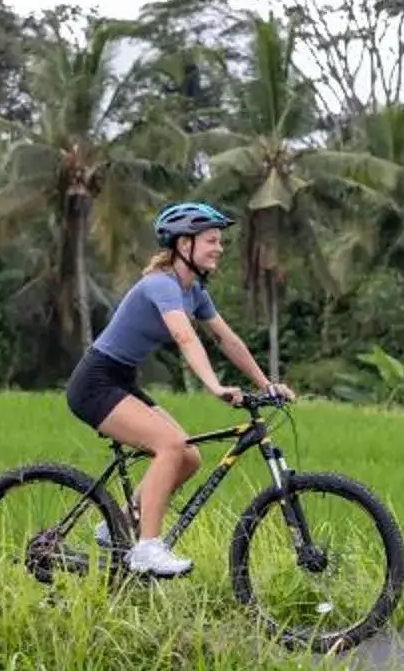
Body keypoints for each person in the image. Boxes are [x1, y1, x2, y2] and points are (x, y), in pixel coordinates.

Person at [70, 200, 291, 577]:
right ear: (183, 244)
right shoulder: (161, 285)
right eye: (211, 240)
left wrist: (265, 384)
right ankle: (146, 549)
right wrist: (215, 386)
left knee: (187, 457)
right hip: (95, 383)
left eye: (220, 241)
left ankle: (118, 525)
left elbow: (227, 340)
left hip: (121, 380)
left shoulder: (195, 293)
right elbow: (184, 337)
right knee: (170, 446)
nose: (219, 248)